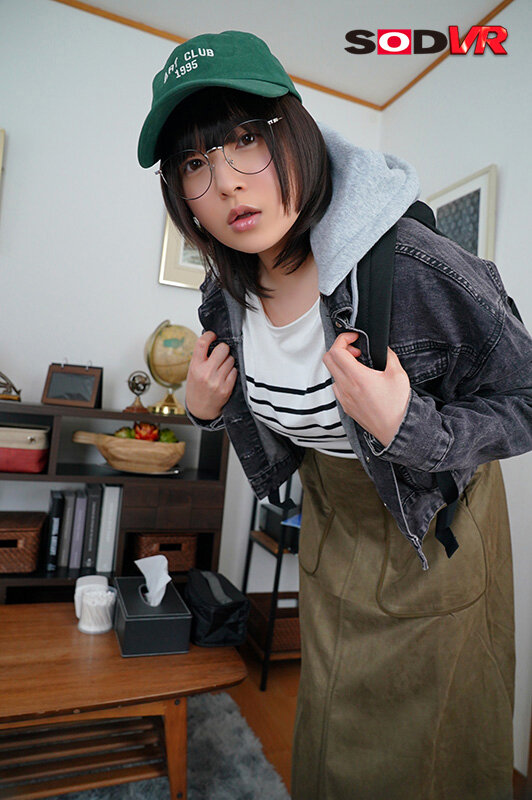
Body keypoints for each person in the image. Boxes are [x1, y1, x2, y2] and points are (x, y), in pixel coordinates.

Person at [138, 31, 532, 800]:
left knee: (427, 757)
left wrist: (411, 426)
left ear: (295, 134)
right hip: (332, 528)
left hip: (436, 533)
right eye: (193, 163)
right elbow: (279, 418)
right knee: (330, 736)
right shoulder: (226, 295)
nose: (226, 182)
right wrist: (207, 411)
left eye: (244, 139)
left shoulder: (410, 263)